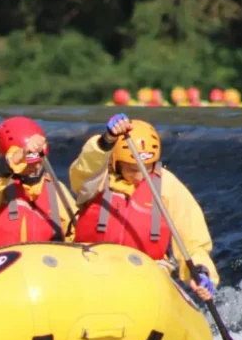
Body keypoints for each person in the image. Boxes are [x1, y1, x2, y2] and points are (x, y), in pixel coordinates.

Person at [69, 115, 218, 301]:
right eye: (132, 169)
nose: (140, 176)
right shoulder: (97, 179)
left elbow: (193, 243)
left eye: (146, 167)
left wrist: (201, 270)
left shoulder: (167, 185)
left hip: (147, 272)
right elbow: (84, 170)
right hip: (92, 265)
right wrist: (106, 141)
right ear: (116, 163)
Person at [0, 117, 75, 252]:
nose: (36, 169)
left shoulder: (54, 188)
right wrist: (18, 156)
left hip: (44, 265)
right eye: (29, 165)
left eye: (38, 162)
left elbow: (73, 231)